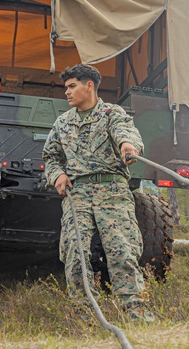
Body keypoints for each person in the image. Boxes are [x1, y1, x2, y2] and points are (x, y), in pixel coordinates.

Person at [42, 64, 155, 323]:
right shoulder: (63, 123)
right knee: (74, 253)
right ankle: (85, 317)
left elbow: (125, 132)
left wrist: (128, 145)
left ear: (89, 86)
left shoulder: (111, 113)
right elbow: (51, 156)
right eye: (66, 87)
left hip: (112, 191)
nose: (67, 93)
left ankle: (136, 314)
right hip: (78, 194)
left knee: (122, 252)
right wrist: (57, 174)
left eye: (72, 86)